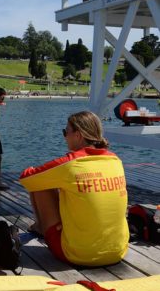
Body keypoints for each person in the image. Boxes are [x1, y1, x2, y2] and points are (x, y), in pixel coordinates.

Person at [19, 111, 129, 266]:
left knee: (39, 183)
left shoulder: (71, 164)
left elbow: (26, 179)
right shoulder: (115, 160)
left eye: (66, 132)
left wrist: (34, 170)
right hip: (118, 251)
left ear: (78, 135)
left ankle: (41, 228)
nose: (65, 136)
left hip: (78, 255)